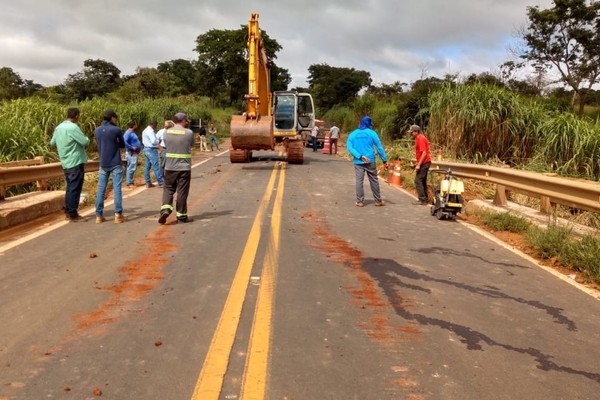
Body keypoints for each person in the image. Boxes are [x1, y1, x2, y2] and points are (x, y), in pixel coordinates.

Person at [50, 107, 90, 222]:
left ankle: (68, 211)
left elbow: (52, 143)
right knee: (75, 188)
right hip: (75, 161)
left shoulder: (58, 127)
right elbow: (84, 141)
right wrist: (87, 138)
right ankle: (72, 213)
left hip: (65, 162)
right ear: (76, 116)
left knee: (70, 187)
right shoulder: (73, 127)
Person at [158, 112, 195, 224]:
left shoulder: (166, 133)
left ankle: (165, 209)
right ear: (183, 120)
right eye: (186, 120)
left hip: (170, 167)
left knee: (168, 189)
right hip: (184, 168)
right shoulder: (189, 133)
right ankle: (182, 216)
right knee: (182, 192)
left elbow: (166, 145)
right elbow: (191, 145)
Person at [346, 116, 388, 207]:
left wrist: (360, 156)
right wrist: (384, 160)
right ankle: (377, 200)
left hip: (358, 161)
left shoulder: (353, 134)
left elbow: (350, 147)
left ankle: (360, 201)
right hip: (370, 160)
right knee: (374, 180)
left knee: (359, 181)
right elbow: (379, 147)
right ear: (369, 124)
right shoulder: (372, 133)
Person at [94, 109, 126, 224]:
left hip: (103, 162)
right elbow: (122, 144)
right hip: (115, 162)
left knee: (101, 189)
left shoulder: (97, 130)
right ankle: (118, 215)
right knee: (117, 188)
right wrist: (115, 142)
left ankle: (98, 215)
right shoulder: (116, 130)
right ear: (112, 117)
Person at [410, 124, 431, 205]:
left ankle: (422, 199)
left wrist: (419, 165)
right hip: (424, 162)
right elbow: (421, 153)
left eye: (412, 132)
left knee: (418, 180)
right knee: (422, 181)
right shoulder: (418, 138)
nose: (411, 134)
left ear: (416, 132)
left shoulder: (421, 139)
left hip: (425, 163)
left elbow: (424, 153)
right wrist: (417, 163)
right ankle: (425, 199)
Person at [142, 121, 164, 188]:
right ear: (153, 125)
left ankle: (148, 183)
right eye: (155, 125)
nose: (156, 127)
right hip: (151, 150)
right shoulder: (150, 131)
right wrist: (158, 141)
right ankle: (161, 182)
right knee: (156, 166)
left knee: (147, 167)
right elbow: (154, 141)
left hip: (146, 149)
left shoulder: (145, 130)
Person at [123, 121, 140, 188]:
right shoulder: (128, 133)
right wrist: (131, 147)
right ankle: (129, 182)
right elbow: (124, 141)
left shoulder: (131, 132)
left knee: (132, 167)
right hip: (131, 153)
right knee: (131, 167)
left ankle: (130, 181)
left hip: (134, 153)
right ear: (134, 125)